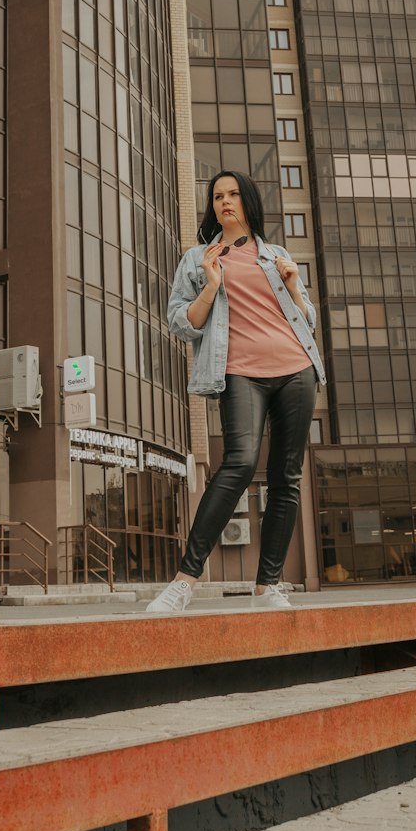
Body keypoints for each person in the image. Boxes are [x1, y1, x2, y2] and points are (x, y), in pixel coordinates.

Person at [146, 170, 325, 613]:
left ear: (247, 202)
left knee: (287, 477)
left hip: (296, 369)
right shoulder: (198, 258)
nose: (225, 201)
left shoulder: (276, 254)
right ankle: (184, 581)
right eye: (217, 196)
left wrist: (292, 287)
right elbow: (181, 324)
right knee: (240, 463)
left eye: (233, 194)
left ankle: (267, 587)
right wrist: (210, 285)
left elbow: (309, 320)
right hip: (240, 372)